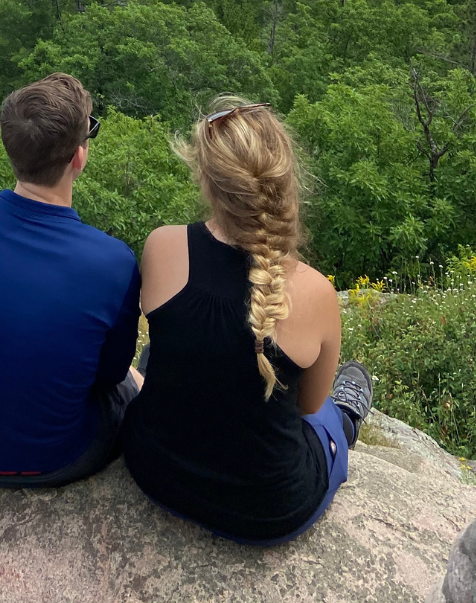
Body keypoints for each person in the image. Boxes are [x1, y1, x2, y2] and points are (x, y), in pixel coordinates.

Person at [121, 96, 373, 544]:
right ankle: (350, 418)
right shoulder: (315, 292)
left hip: (154, 471)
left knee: (156, 353)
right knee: (328, 417)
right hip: (268, 510)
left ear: (207, 181)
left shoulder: (162, 246)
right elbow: (308, 407)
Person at [0, 72, 142, 487]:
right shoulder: (112, 261)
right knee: (135, 380)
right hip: (59, 458)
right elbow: (110, 374)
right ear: (79, 157)